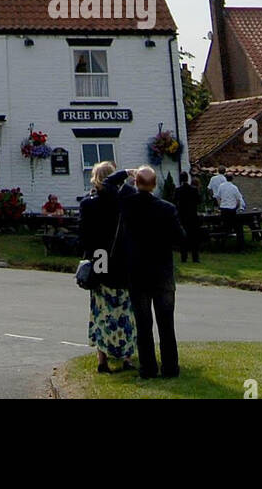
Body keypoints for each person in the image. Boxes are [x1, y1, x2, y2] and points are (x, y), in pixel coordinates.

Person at [116, 165, 184, 379]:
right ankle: (170, 367)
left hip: (137, 272)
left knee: (143, 325)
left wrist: (127, 173)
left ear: (136, 183)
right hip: (162, 271)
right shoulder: (167, 208)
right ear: (155, 185)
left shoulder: (128, 204)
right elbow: (180, 238)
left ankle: (148, 368)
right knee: (166, 324)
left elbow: (109, 185)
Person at [78, 161, 136, 374]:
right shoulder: (122, 201)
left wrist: (89, 256)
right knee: (125, 308)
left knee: (101, 309)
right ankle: (127, 357)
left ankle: (102, 359)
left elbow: (84, 236)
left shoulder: (88, 204)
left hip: (99, 257)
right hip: (121, 257)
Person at [173, 171, 201, 263]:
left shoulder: (178, 190)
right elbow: (199, 201)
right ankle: (195, 258)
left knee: (183, 238)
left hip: (182, 216)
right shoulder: (194, 190)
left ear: (180, 179)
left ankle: (184, 257)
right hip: (192, 216)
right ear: (187, 178)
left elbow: (174, 202)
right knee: (194, 237)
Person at [214, 172, 247, 250]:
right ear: (232, 179)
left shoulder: (221, 187)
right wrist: (236, 207)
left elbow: (218, 197)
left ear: (225, 178)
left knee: (224, 227)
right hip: (232, 210)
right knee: (238, 228)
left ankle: (222, 245)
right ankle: (240, 246)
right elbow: (238, 199)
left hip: (223, 210)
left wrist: (219, 205)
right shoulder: (234, 187)